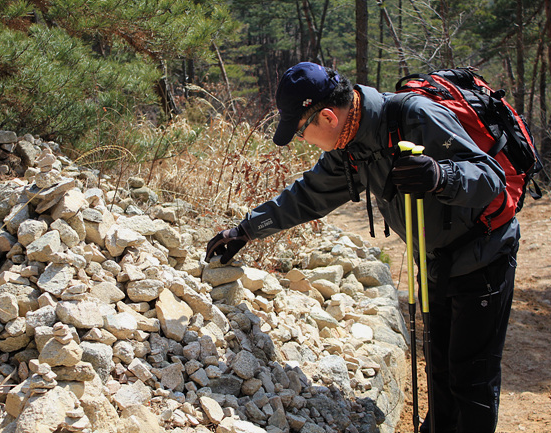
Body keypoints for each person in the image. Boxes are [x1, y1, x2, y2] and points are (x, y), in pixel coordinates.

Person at [205, 62, 518, 433]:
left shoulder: (415, 116)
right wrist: (245, 230)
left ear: (326, 116)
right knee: (441, 373)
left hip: (484, 255)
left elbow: (491, 179)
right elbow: (307, 197)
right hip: (437, 261)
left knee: (471, 381)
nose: (303, 140)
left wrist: (440, 175)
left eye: (302, 131)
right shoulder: (349, 145)